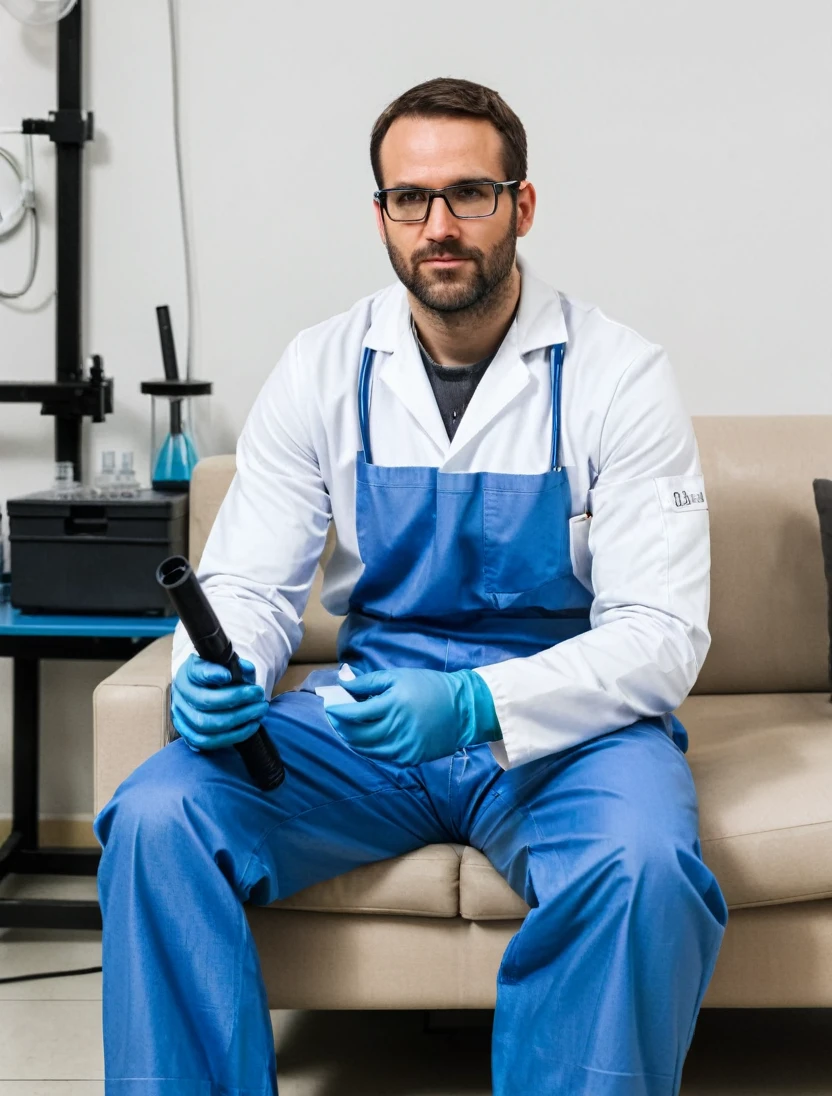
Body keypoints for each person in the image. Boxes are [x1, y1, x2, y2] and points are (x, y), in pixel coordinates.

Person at [94, 77, 727, 1096]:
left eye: (469, 194)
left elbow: (658, 634)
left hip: (564, 733)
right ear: (381, 215)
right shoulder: (321, 368)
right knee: (158, 814)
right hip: (371, 724)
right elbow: (249, 582)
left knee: (643, 865)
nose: (439, 225)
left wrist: (481, 700)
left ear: (521, 206)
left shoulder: (617, 374)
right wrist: (214, 672)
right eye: (410, 198)